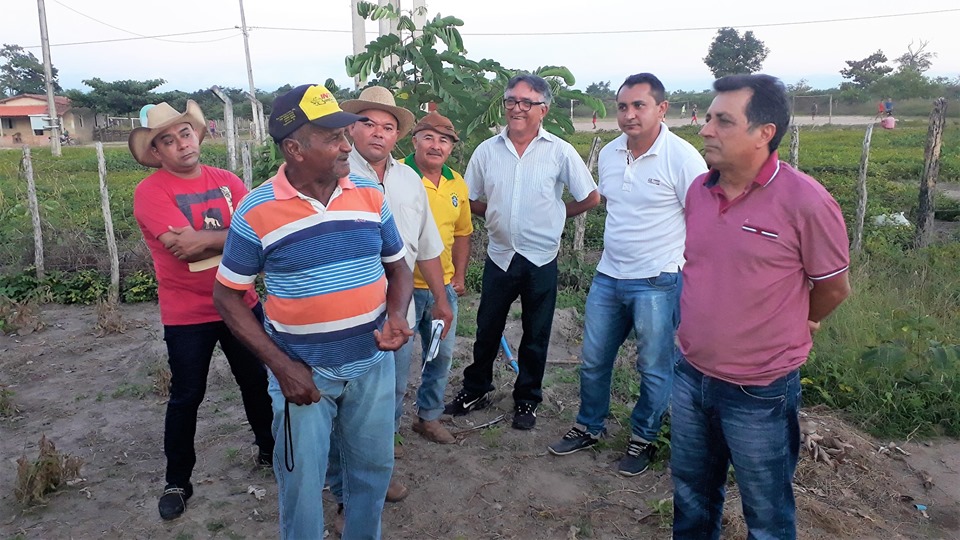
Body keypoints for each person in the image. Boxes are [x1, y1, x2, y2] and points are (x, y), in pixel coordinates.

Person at [212, 83, 414, 539]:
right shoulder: (256, 210)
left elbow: (398, 267)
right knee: (301, 484)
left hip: (371, 366)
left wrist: (397, 315)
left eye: (345, 133)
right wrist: (283, 368)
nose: (347, 145)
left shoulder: (368, 194)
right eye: (332, 137)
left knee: (372, 471)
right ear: (294, 148)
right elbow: (227, 297)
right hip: (303, 373)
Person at [671, 74, 851, 539]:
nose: (706, 129)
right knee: (692, 493)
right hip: (691, 374)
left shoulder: (806, 201)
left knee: (766, 511)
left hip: (759, 389)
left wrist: (804, 319)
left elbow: (833, 287)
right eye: (708, 117)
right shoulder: (697, 191)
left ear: (764, 133)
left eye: (722, 120)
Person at [547, 73, 707, 476]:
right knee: (593, 361)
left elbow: (703, 220)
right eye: (623, 107)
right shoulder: (611, 153)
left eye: (639, 105)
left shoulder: (683, 157)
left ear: (661, 109)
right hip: (608, 276)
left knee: (653, 366)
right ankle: (589, 426)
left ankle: (644, 438)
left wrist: (692, 277)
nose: (629, 114)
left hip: (658, 279)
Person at [129, 100, 274, 521]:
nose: (180, 145)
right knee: (187, 395)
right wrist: (237, 240)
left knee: (257, 381)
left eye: (185, 134)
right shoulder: (151, 191)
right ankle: (178, 479)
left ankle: (269, 449)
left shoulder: (227, 180)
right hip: (187, 313)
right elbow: (181, 248)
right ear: (156, 152)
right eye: (167, 141)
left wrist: (210, 239)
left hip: (241, 300)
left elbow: (260, 233)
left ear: (198, 134)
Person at [445, 73, 600, 430]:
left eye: (526, 102)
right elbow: (470, 200)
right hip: (500, 255)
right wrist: (496, 214)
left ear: (542, 109)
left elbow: (590, 197)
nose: (516, 108)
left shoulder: (559, 151)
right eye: (511, 101)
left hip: (541, 257)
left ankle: (527, 399)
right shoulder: (487, 150)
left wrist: (557, 215)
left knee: (536, 333)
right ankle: (476, 389)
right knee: (486, 328)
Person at [334, 85, 453, 503]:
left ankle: (374, 475)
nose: (377, 133)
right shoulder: (336, 175)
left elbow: (427, 246)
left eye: (387, 126)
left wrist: (441, 300)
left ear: (397, 136)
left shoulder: (408, 180)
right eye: (367, 123)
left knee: (389, 395)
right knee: (348, 400)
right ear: (351, 128)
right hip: (352, 308)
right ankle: (347, 489)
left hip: (397, 309)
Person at [397, 111, 473, 445]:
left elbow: (462, 233)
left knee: (440, 357)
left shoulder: (456, 182)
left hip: (442, 288)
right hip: (400, 290)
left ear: (451, 148)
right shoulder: (396, 174)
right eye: (428, 137)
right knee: (396, 367)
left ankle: (428, 417)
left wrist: (458, 275)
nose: (435, 145)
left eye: (444, 140)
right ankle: (386, 432)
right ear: (414, 140)